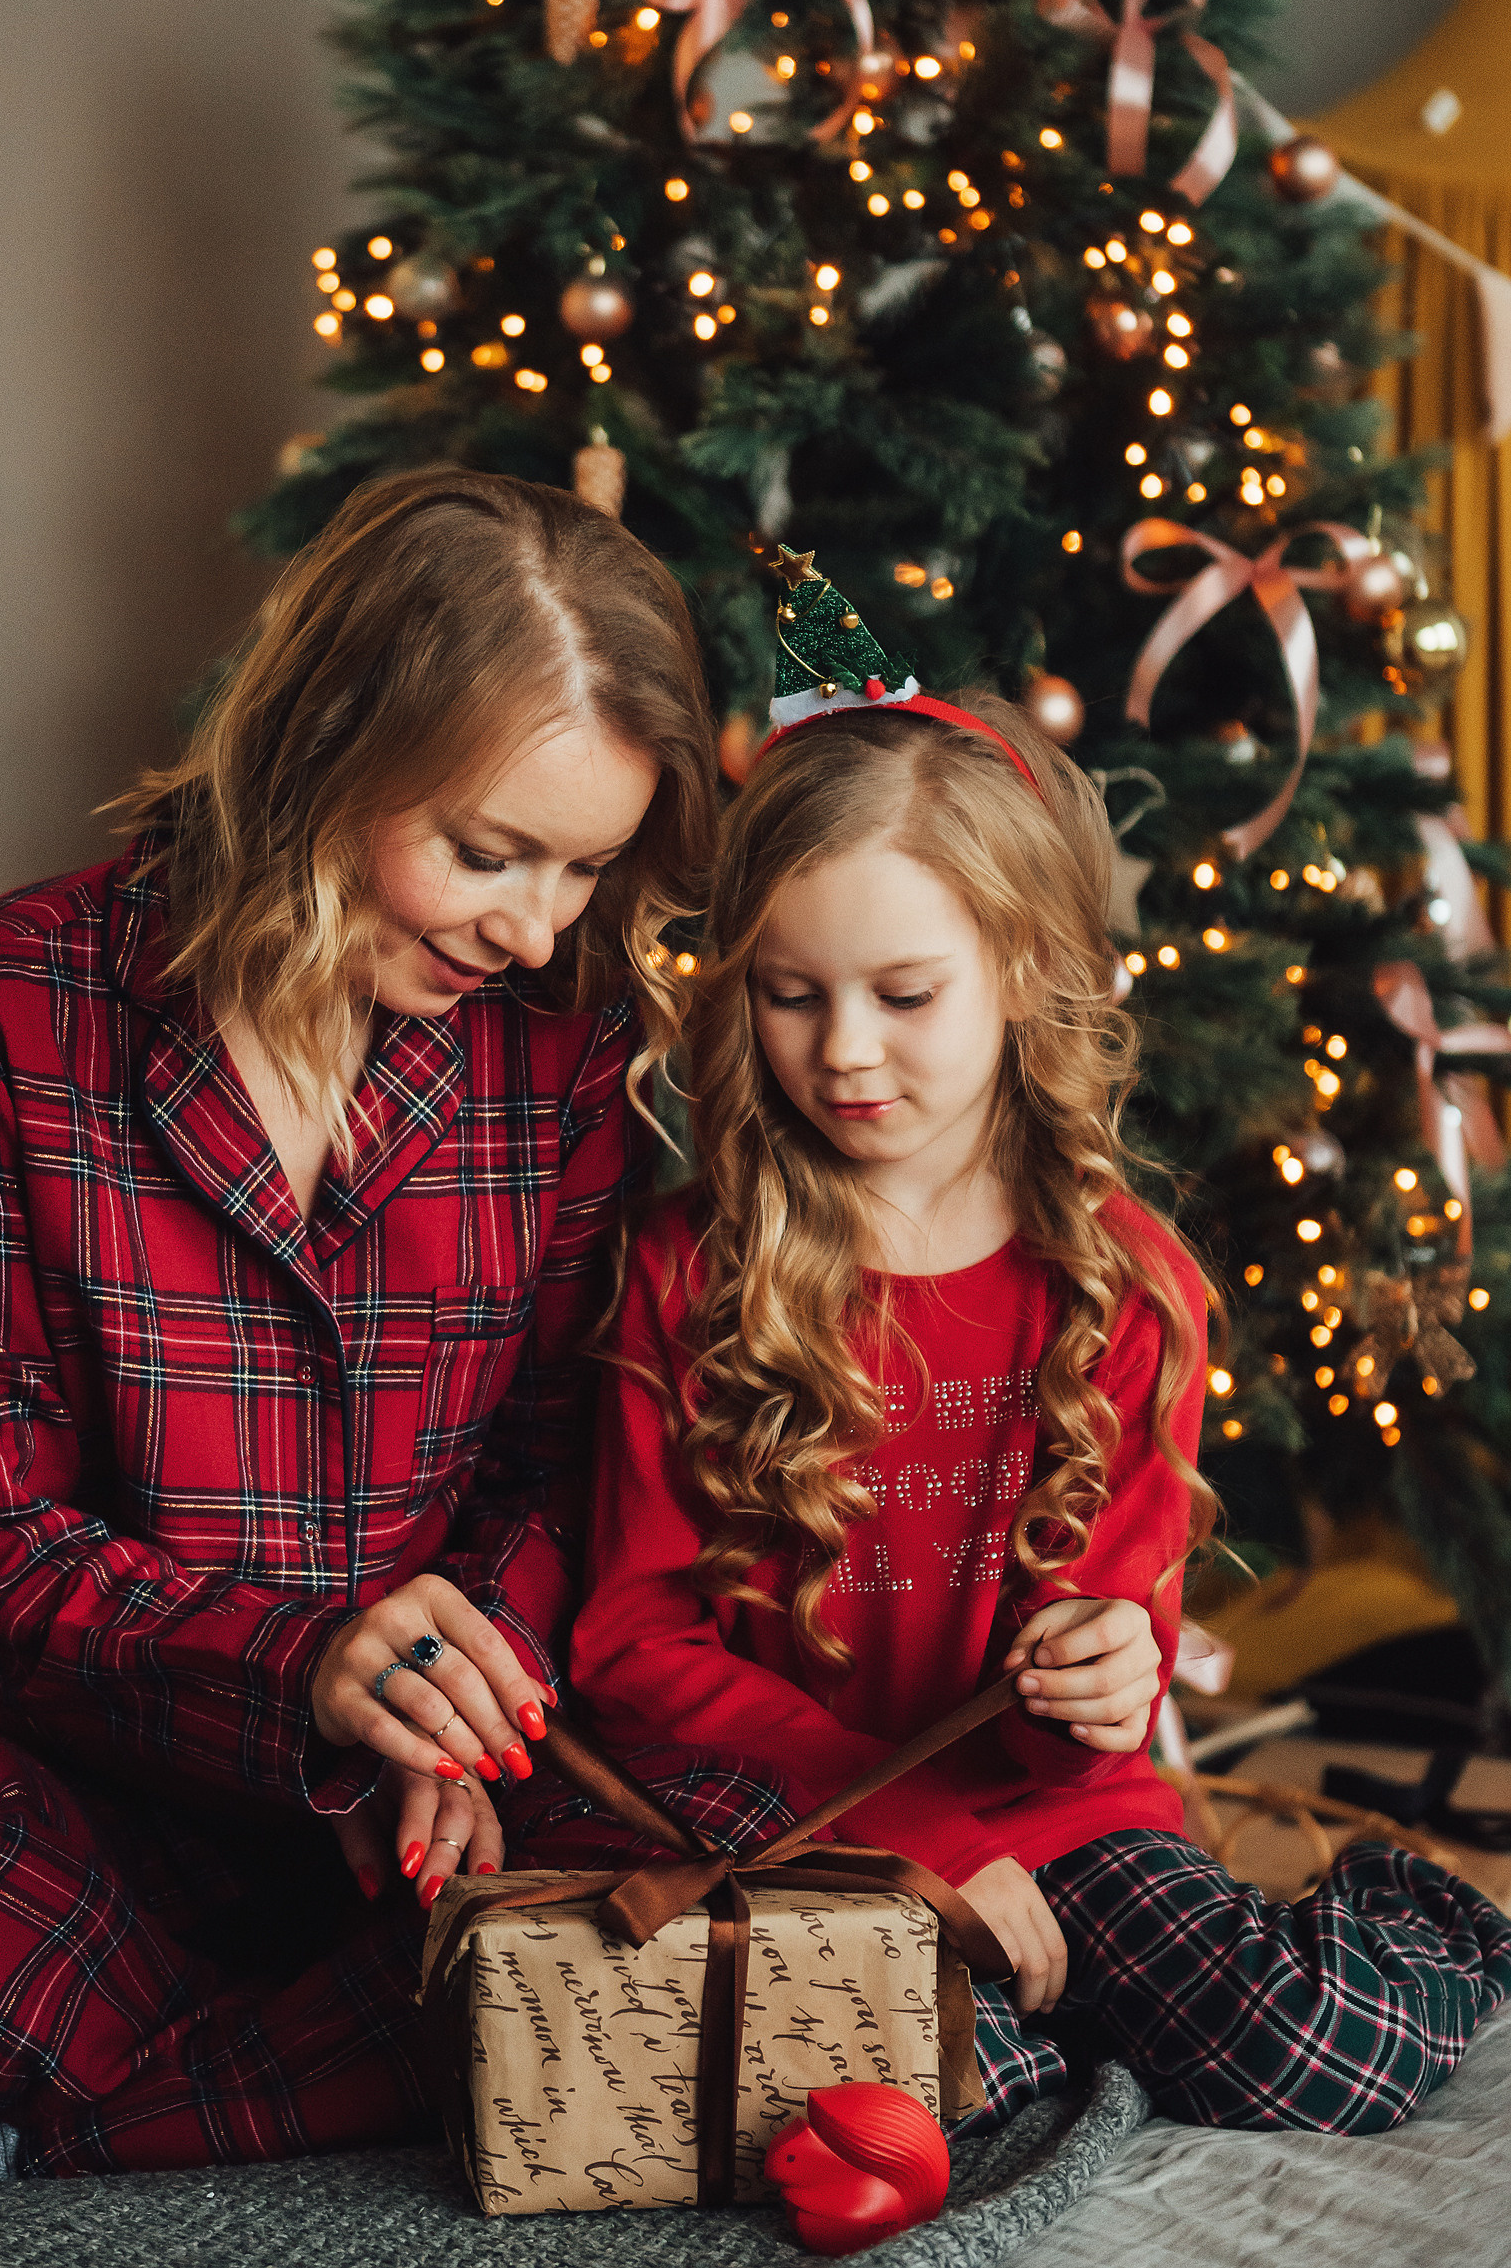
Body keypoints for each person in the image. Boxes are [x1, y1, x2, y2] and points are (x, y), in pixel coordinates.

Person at [0, 465, 718, 2181]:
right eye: (487, 853)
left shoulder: (561, 1041)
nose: (536, 926)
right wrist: (302, 1664)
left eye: (584, 869)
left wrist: (474, 1685)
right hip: (99, 1779)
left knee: (746, 1833)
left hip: (453, 1793)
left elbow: (555, 1463)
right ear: (327, 748)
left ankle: (45, 2124)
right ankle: (348, 2066)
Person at [568, 543, 1511, 2134]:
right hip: (804, 1818)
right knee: (937, 2102)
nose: (842, 1052)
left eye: (904, 992)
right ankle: (1047, 2039)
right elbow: (632, 1646)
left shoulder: (1127, 1282)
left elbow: (1110, 1611)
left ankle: (1410, 1922)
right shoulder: (687, 1269)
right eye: (792, 994)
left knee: (1310, 2058)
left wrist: (1111, 1657)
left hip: (1067, 1817)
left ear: (1025, 972)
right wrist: (916, 1843)